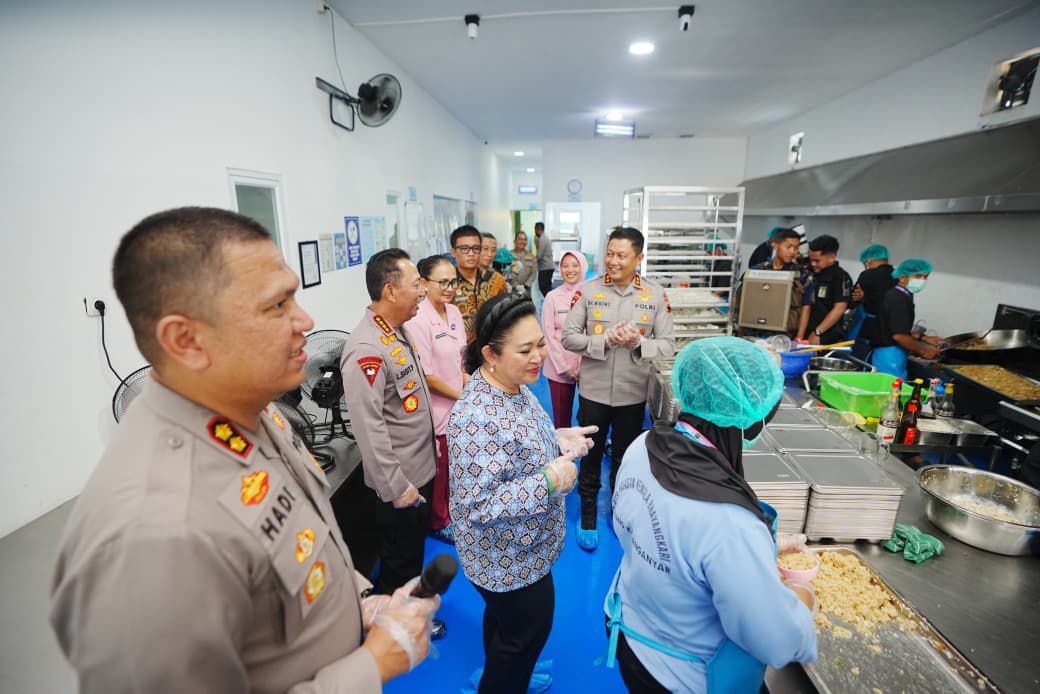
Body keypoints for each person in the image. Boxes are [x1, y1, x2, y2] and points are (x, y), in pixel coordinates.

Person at [50, 207, 439, 693]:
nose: (305, 320)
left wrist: (359, 600)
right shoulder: (153, 535)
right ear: (186, 340)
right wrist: (371, 667)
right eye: (276, 306)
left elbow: (299, 544)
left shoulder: (255, 411)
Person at [604, 336, 818, 693]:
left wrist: (761, 548)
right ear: (750, 422)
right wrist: (802, 596)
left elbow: (641, 529)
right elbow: (774, 640)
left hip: (628, 630)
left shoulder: (643, 446)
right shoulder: (731, 524)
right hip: (680, 676)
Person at [448, 294, 595, 694]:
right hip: (506, 559)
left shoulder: (513, 385)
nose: (538, 357)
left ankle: (503, 669)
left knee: (505, 624)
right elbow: (481, 504)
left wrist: (556, 437)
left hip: (523, 548)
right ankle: (502, 679)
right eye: (525, 349)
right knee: (525, 634)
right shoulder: (476, 416)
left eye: (541, 344)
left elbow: (515, 443)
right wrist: (549, 479)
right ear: (490, 354)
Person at [341, 249, 445, 642]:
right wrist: (397, 486)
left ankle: (408, 612)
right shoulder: (366, 348)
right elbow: (369, 429)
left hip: (419, 468)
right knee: (400, 560)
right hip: (401, 483)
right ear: (390, 290)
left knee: (411, 552)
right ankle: (395, 630)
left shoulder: (395, 330)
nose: (423, 291)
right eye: (416, 283)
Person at [562, 226, 675, 551]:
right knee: (590, 453)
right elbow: (568, 337)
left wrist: (640, 342)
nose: (613, 261)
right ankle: (587, 514)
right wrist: (604, 340)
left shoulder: (654, 295)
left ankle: (618, 510)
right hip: (593, 392)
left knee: (625, 457)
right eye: (610, 253)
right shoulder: (588, 290)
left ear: (638, 258)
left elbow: (668, 345)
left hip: (632, 394)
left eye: (621, 255)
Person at [405, 255, 469, 545]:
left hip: (458, 402)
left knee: (455, 465)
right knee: (440, 470)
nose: (449, 288)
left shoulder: (454, 312)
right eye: (442, 282)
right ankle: (439, 521)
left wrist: (471, 386)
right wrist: (461, 395)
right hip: (437, 408)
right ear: (424, 283)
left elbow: (460, 360)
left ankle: (451, 511)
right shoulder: (418, 320)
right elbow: (426, 375)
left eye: (453, 282)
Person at [871, 258, 943, 379]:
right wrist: (923, 351)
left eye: (925, 277)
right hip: (890, 356)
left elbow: (895, 327)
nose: (922, 280)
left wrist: (922, 337)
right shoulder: (899, 299)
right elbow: (899, 336)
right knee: (892, 388)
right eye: (918, 276)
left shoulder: (900, 294)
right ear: (902, 278)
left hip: (890, 353)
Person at [541, 250, 589, 428]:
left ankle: (586, 444)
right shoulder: (552, 297)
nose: (570, 270)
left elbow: (592, 332)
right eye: (565, 266)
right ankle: (563, 446)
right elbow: (548, 335)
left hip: (588, 366)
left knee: (589, 415)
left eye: (575, 265)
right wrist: (564, 368)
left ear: (583, 267)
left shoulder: (592, 295)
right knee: (562, 419)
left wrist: (583, 365)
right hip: (558, 367)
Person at [731, 227, 807, 338]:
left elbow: (806, 308)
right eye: (788, 247)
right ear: (775, 245)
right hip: (753, 331)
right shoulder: (757, 271)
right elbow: (740, 300)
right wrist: (740, 330)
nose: (792, 252)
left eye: (796, 248)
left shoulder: (801, 275)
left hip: (783, 336)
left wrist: (799, 338)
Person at [796, 235, 853, 345]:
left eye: (817, 261)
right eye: (811, 260)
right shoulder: (807, 272)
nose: (813, 264)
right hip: (802, 331)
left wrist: (818, 332)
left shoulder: (840, 277)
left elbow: (839, 308)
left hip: (825, 334)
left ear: (831, 257)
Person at [849, 244, 897, 360]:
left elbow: (852, 301)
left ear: (868, 262)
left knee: (858, 361)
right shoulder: (899, 277)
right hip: (890, 331)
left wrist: (863, 298)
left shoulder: (868, 275)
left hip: (868, 330)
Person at [452, 225, 498, 341]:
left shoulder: (496, 280)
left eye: (476, 248)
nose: (471, 253)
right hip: (459, 345)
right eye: (464, 248)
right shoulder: (447, 283)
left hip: (491, 344)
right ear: (453, 252)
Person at [479, 231, 510, 298]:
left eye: (493, 250)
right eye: (485, 249)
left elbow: (504, 302)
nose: (490, 254)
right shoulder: (460, 278)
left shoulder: (498, 279)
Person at [508, 231, 537, 296]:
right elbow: (507, 272)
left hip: (527, 290)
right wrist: (516, 285)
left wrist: (526, 285)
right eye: (520, 239)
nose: (522, 242)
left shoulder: (531, 256)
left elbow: (534, 272)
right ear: (514, 241)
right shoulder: (509, 255)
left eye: (525, 240)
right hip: (512, 290)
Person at [535, 221, 555, 297]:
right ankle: (550, 301)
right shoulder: (545, 238)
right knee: (547, 288)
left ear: (537, 229)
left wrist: (533, 261)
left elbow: (539, 255)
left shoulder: (542, 239)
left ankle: (549, 302)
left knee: (544, 288)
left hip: (545, 268)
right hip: (549, 267)